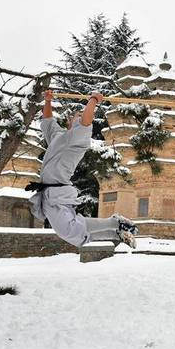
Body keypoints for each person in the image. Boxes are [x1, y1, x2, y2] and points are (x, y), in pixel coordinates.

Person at [27, 90, 138, 248]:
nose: (80, 118)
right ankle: (116, 230)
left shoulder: (79, 140)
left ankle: (115, 227)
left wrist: (93, 100)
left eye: (81, 116)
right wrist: (48, 101)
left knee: (70, 231)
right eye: (76, 116)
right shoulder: (58, 136)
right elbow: (47, 120)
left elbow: (86, 121)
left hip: (56, 193)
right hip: (54, 193)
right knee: (73, 228)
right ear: (69, 121)